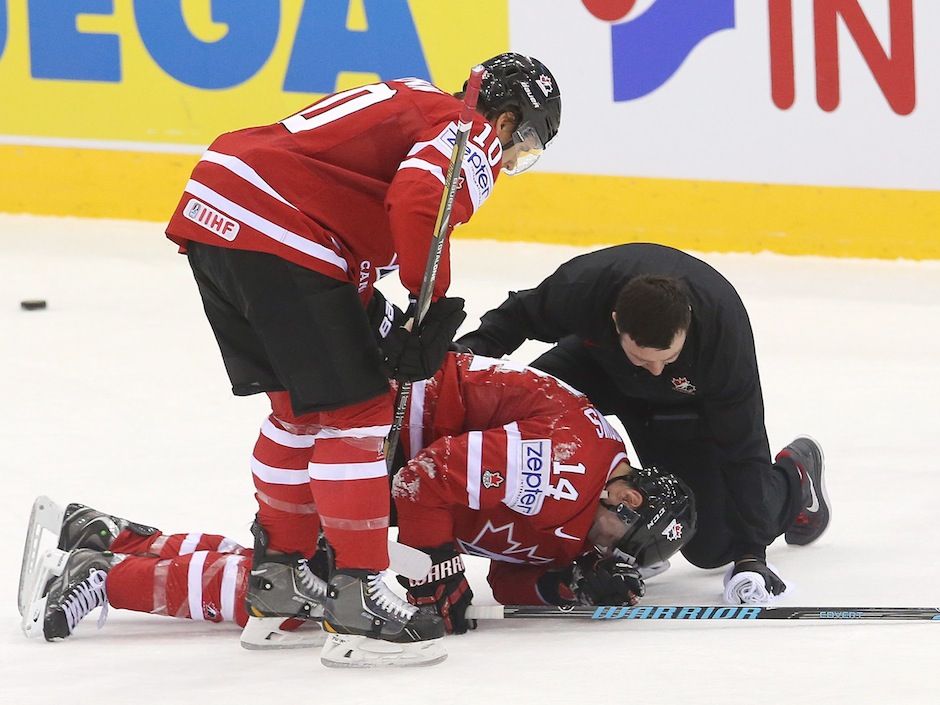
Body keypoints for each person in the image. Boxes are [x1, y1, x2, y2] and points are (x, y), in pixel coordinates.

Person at [161, 52, 562, 666]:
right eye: (525, 143)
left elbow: (353, 192)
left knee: (297, 411)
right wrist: (429, 307)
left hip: (219, 211)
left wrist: (384, 304)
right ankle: (359, 599)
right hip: (282, 229)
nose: (511, 158)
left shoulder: (417, 96)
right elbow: (422, 199)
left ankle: (280, 580)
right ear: (508, 120)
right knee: (360, 413)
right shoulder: (473, 130)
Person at [31, 353, 695, 646]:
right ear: (627, 493)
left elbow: (510, 568)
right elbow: (426, 477)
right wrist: (439, 570)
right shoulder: (568, 467)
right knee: (308, 591)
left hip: (394, 448)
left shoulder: (587, 501)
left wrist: (568, 583)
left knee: (304, 569)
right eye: (615, 537)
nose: (604, 547)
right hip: (382, 424)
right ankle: (107, 576)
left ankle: (112, 534)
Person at [456, 243, 831, 603]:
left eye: (667, 359)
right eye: (641, 357)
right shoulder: (586, 287)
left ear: (687, 323)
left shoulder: (721, 336)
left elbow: (743, 446)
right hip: (598, 370)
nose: (654, 369)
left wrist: (752, 553)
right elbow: (515, 318)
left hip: (682, 408)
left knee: (712, 546)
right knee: (511, 414)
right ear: (614, 321)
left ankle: (793, 479)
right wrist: (455, 363)